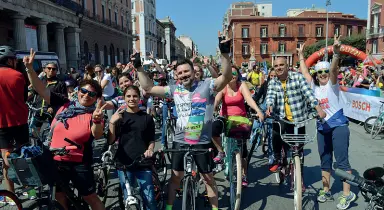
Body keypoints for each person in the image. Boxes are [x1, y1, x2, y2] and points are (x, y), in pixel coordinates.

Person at [136, 31, 233, 210]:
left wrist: (225, 54)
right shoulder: (174, 89)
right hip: (180, 141)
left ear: (194, 72)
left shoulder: (207, 86)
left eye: (186, 71)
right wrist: (139, 68)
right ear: (176, 76)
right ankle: (170, 207)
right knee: (175, 178)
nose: (183, 75)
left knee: (208, 179)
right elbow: (148, 87)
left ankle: (215, 208)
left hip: (202, 141)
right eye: (180, 73)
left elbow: (226, 77)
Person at [24, 49, 106, 210]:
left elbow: (97, 134)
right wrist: (29, 69)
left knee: (90, 198)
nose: (86, 95)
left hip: (79, 163)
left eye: (92, 94)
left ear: (96, 97)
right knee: (59, 195)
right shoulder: (63, 104)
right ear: (78, 91)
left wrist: (97, 119)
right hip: (55, 158)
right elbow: (41, 89)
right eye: (83, 91)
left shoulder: (94, 113)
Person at [298, 35, 356, 210]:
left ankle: (347, 194)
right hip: (322, 128)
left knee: (342, 162)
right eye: (320, 72)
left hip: (338, 126)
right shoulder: (314, 88)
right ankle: (326, 189)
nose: (323, 74)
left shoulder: (332, 85)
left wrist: (336, 53)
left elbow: (333, 70)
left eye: (324, 72)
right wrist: (301, 55)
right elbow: (305, 72)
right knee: (325, 161)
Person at [265, 56, 326, 174]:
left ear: (287, 66)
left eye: (281, 65)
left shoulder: (298, 78)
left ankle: (300, 178)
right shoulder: (273, 82)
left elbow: (308, 94)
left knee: (299, 150)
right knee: (276, 132)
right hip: (281, 116)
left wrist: (318, 108)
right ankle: (277, 158)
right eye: (276, 66)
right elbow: (270, 96)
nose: (279, 68)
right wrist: (269, 106)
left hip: (299, 118)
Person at [211, 65, 264, 187]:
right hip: (225, 118)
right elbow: (216, 101)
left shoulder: (242, 85)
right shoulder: (223, 87)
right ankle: (221, 152)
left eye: (234, 73)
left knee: (243, 150)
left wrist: (258, 111)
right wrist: (211, 111)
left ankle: (244, 174)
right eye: (229, 73)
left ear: (238, 75)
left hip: (240, 120)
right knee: (214, 129)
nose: (232, 76)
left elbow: (249, 99)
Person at [107, 85, 156, 210]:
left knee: (149, 199)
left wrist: (150, 149)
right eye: (128, 96)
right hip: (123, 162)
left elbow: (151, 138)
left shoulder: (147, 118)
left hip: (143, 161)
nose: (131, 99)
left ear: (139, 98)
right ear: (124, 98)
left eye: (135, 96)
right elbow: (111, 141)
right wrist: (112, 122)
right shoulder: (119, 117)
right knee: (128, 198)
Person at [0, 46, 29, 201]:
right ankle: (28, 189)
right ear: (10, 60)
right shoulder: (18, 75)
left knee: (6, 159)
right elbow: (24, 97)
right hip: (19, 122)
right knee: (24, 158)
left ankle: (10, 195)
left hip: (1, 125)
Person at [28, 62, 67, 131]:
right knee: (34, 131)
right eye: (49, 68)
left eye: (53, 69)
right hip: (39, 109)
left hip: (52, 112)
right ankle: (38, 142)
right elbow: (33, 91)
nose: (51, 70)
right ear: (45, 70)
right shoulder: (40, 80)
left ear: (56, 71)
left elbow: (64, 99)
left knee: (53, 131)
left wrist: (53, 107)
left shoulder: (60, 83)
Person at [252, 68, 277, 164]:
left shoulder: (280, 85)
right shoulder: (265, 84)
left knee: (271, 133)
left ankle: (271, 154)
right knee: (255, 124)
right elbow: (258, 95)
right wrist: (251, 102)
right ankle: (255, 138)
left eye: (275, 76)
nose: (273, 78)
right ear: (269, 76)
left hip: (273, 111)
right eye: (272, 76)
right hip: (263, 107)